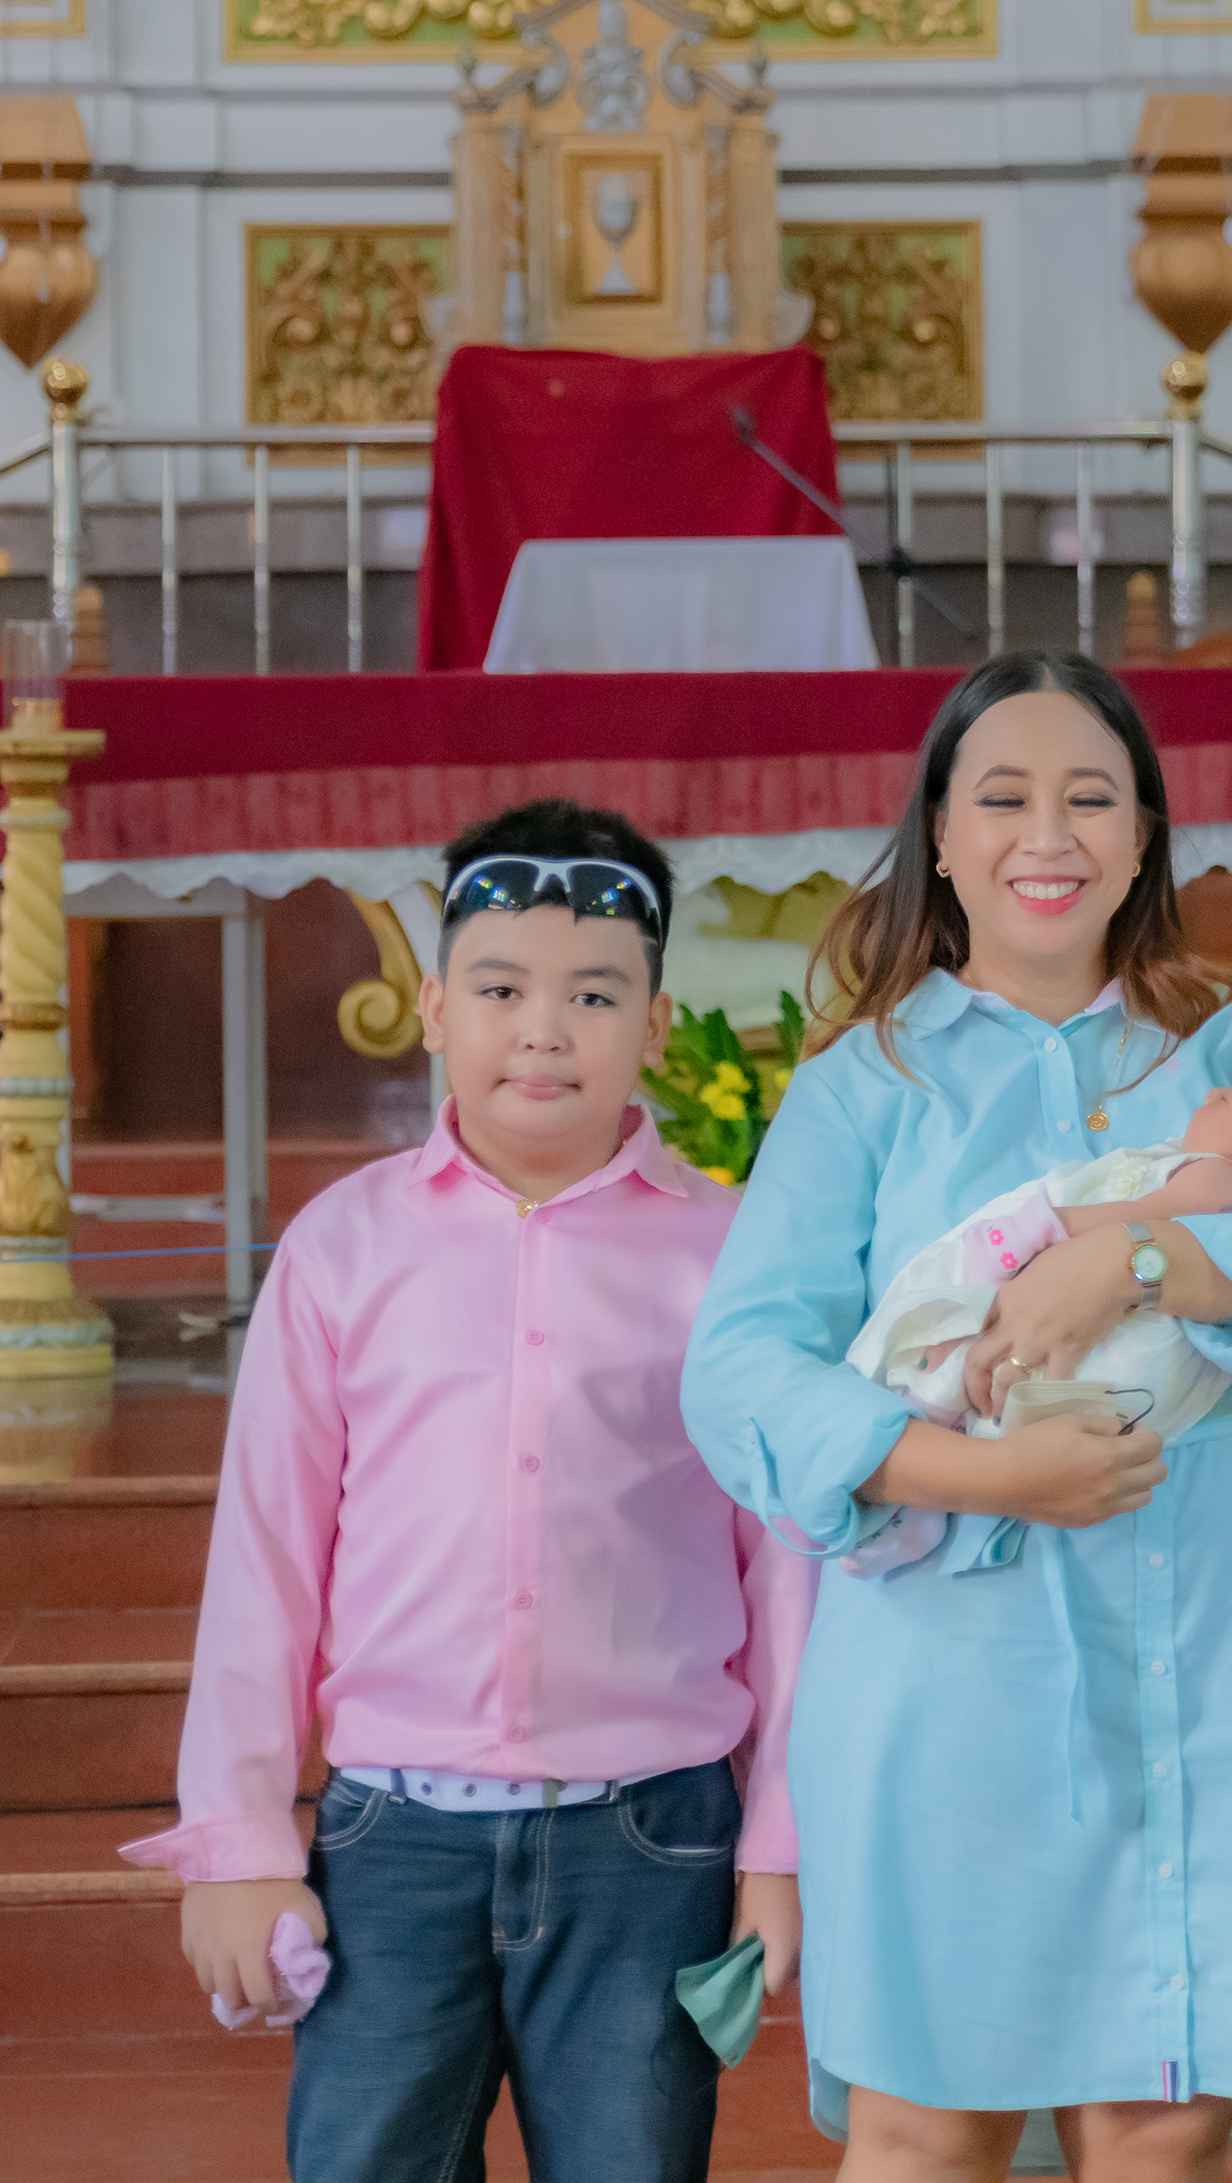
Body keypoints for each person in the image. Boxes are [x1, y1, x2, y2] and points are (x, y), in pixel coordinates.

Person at [683, 652, 1232, 2178]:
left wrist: (1133, 1258)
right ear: (940, 838)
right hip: (948, 1658)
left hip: (1203, 1648)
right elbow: (741, 1370)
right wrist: (985, 1472)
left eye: (1091, 798)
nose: (1048, 834)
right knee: (923, 2131)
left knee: (1157, 2133)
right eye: (1003, 797)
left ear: (1143, 837)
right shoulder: (864, 1085)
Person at [123, 800, 811, 2183]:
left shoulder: (734, 1257)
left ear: (657, 1025)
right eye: (500, 989)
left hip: (650, 1836)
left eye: (594, 995)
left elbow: (787, 1571)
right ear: (435, 1007)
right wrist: (242, 1840)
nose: (543, 1030)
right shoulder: (343, 1246)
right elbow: (266, 1556)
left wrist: (780, 1844)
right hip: (394, 1836)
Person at [841, 1051, 1232, 1565]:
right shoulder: (1225, 1179)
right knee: (978, 1378)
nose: (1210, 1093)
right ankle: (924, 1494)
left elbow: (1139, 1217)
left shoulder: (1217, 1175)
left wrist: (1052, 1226)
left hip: (1119, 1343)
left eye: (1228, 1098)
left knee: (956, 1354)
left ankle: (920, 1484)